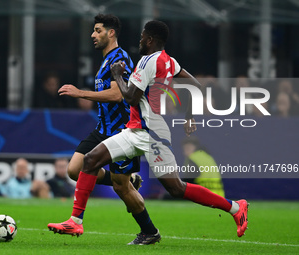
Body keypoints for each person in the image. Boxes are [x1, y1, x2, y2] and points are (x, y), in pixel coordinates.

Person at [48, 20, 249, 245]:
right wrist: (189, 115)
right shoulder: (169, 60)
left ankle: (234, 207)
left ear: (150, 40)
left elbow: (130, 97)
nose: (140, 40)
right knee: (91, 159)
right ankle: (76, 220)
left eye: (142, 37)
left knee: (176, 188)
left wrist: (117, 76)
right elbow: (195, 85)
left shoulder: (147, 61)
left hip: (151, 133)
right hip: (135, 130)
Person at [52, 14, 142, 202]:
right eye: (93, 30)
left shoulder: (120, 58)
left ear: (111, 33)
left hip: (121, 132)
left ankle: (148, 228)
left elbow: (117, 95)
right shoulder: (106, 60)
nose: (93, 35)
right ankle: (131, 179)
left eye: (97, 30)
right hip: (102, 129)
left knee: (122, 189)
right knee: (74, 170)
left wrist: (81, 93)